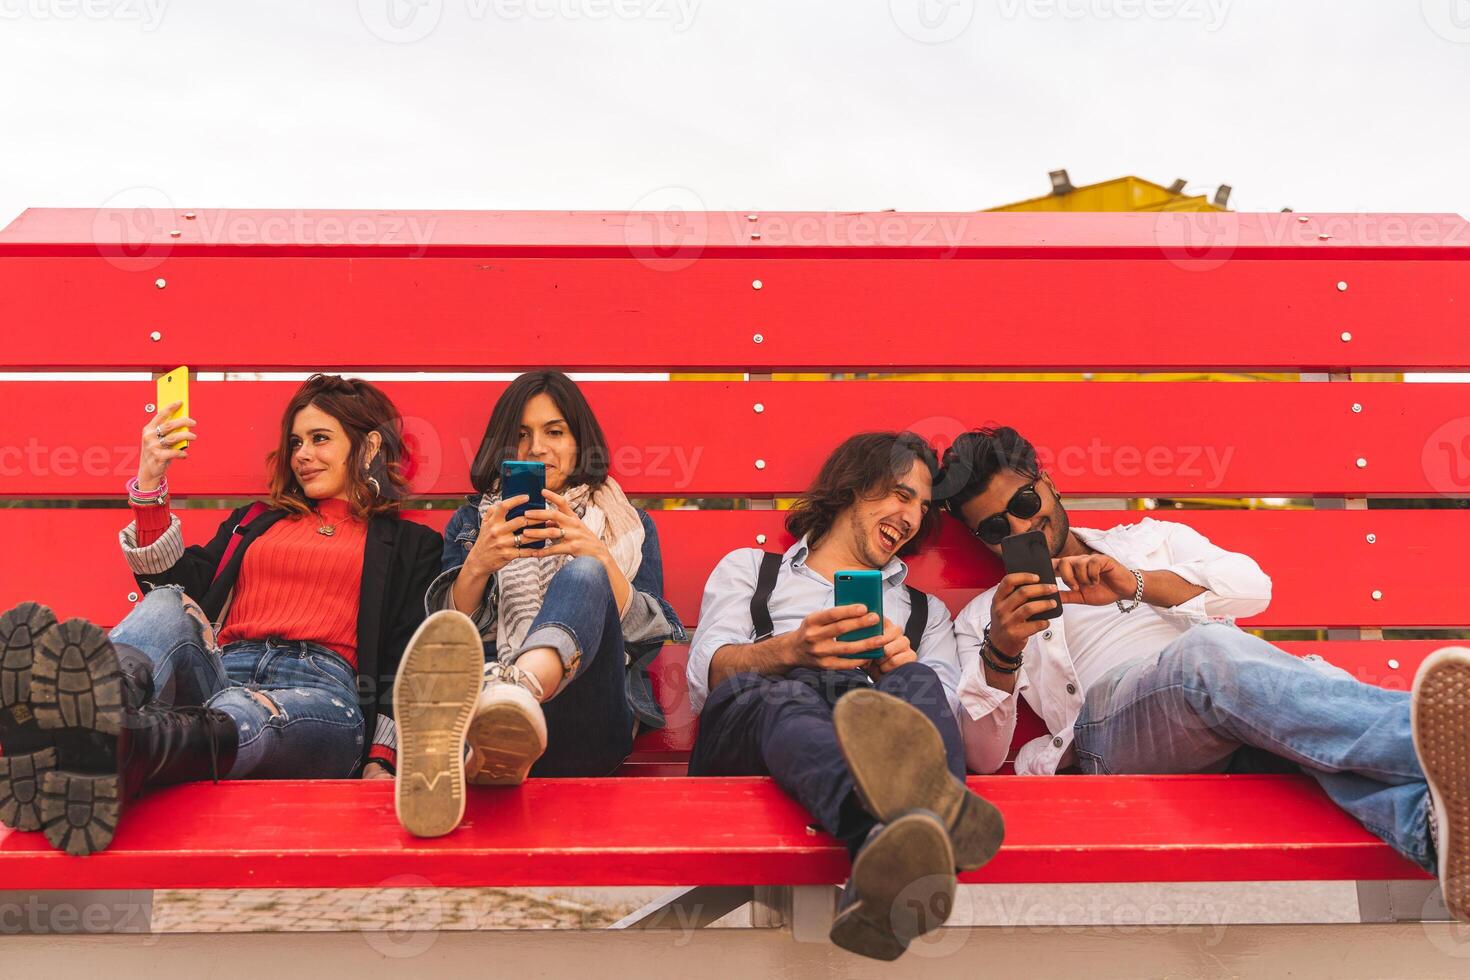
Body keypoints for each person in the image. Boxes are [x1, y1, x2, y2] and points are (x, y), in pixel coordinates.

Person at [941, 424, 1470, 923]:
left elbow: (1253, 587)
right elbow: (984, 757)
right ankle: (1430, 737)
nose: (1017, 527)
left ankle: (1427, 827)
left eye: (1024, 503)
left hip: (1230, 709)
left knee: (1275, 736)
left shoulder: (1153, 542)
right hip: (1115, 737)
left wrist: (1139, 584)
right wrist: (1004, 650)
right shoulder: (985, 617)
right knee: (1209, 650)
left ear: (1048, 485)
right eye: (993, 527)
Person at [0, 374, 441, 856]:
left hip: (321, 699)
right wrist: (150, 483)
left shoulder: (409, 545)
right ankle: (98, 711)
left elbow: (407, 652)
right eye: (296, 442)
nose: (302, 455)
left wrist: (384, 757)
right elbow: (177, 588)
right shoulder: (254, 521)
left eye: (320, 439)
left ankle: (108, 743)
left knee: (250, 712)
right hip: (220, 671)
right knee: (167, 602)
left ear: (368, 444)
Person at [684, 431, 1004, 961]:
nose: (912, 516)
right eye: (901, 495)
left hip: (866, 724)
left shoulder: (925, 615)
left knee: (918, 681)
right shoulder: (752, 571)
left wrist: (897, 666)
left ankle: (893, 848)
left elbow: (946, 716)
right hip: (754, 730)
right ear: (854, 488)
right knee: (784, 697)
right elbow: (706, 678)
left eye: (923, 507)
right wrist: (790, 649)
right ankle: (924, 825)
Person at [394, 370, 684, 838]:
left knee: (585, 572)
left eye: (554, 431)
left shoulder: (629, 524)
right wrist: (477, 565)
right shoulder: (472, 523)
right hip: (483, 712)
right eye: (521, 435)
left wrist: (597, 556)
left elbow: (650, 638)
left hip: (589, 722)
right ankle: (498, 729)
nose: (537, 449)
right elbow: (445, 638)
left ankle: (515, 695)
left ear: (579, 440)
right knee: (470, 660)